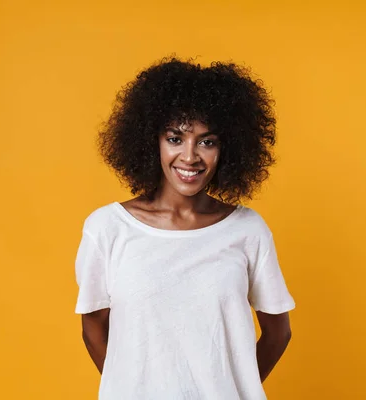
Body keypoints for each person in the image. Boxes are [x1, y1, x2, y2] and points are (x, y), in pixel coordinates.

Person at [74, 57, 295, 400]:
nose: (190, 157)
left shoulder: (248, 230)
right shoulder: (107, 228)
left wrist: (234, 386)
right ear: (153, 142)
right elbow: (92, 328)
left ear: (227, 148)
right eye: (175, 138)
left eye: (207, 141)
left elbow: (278, 332)